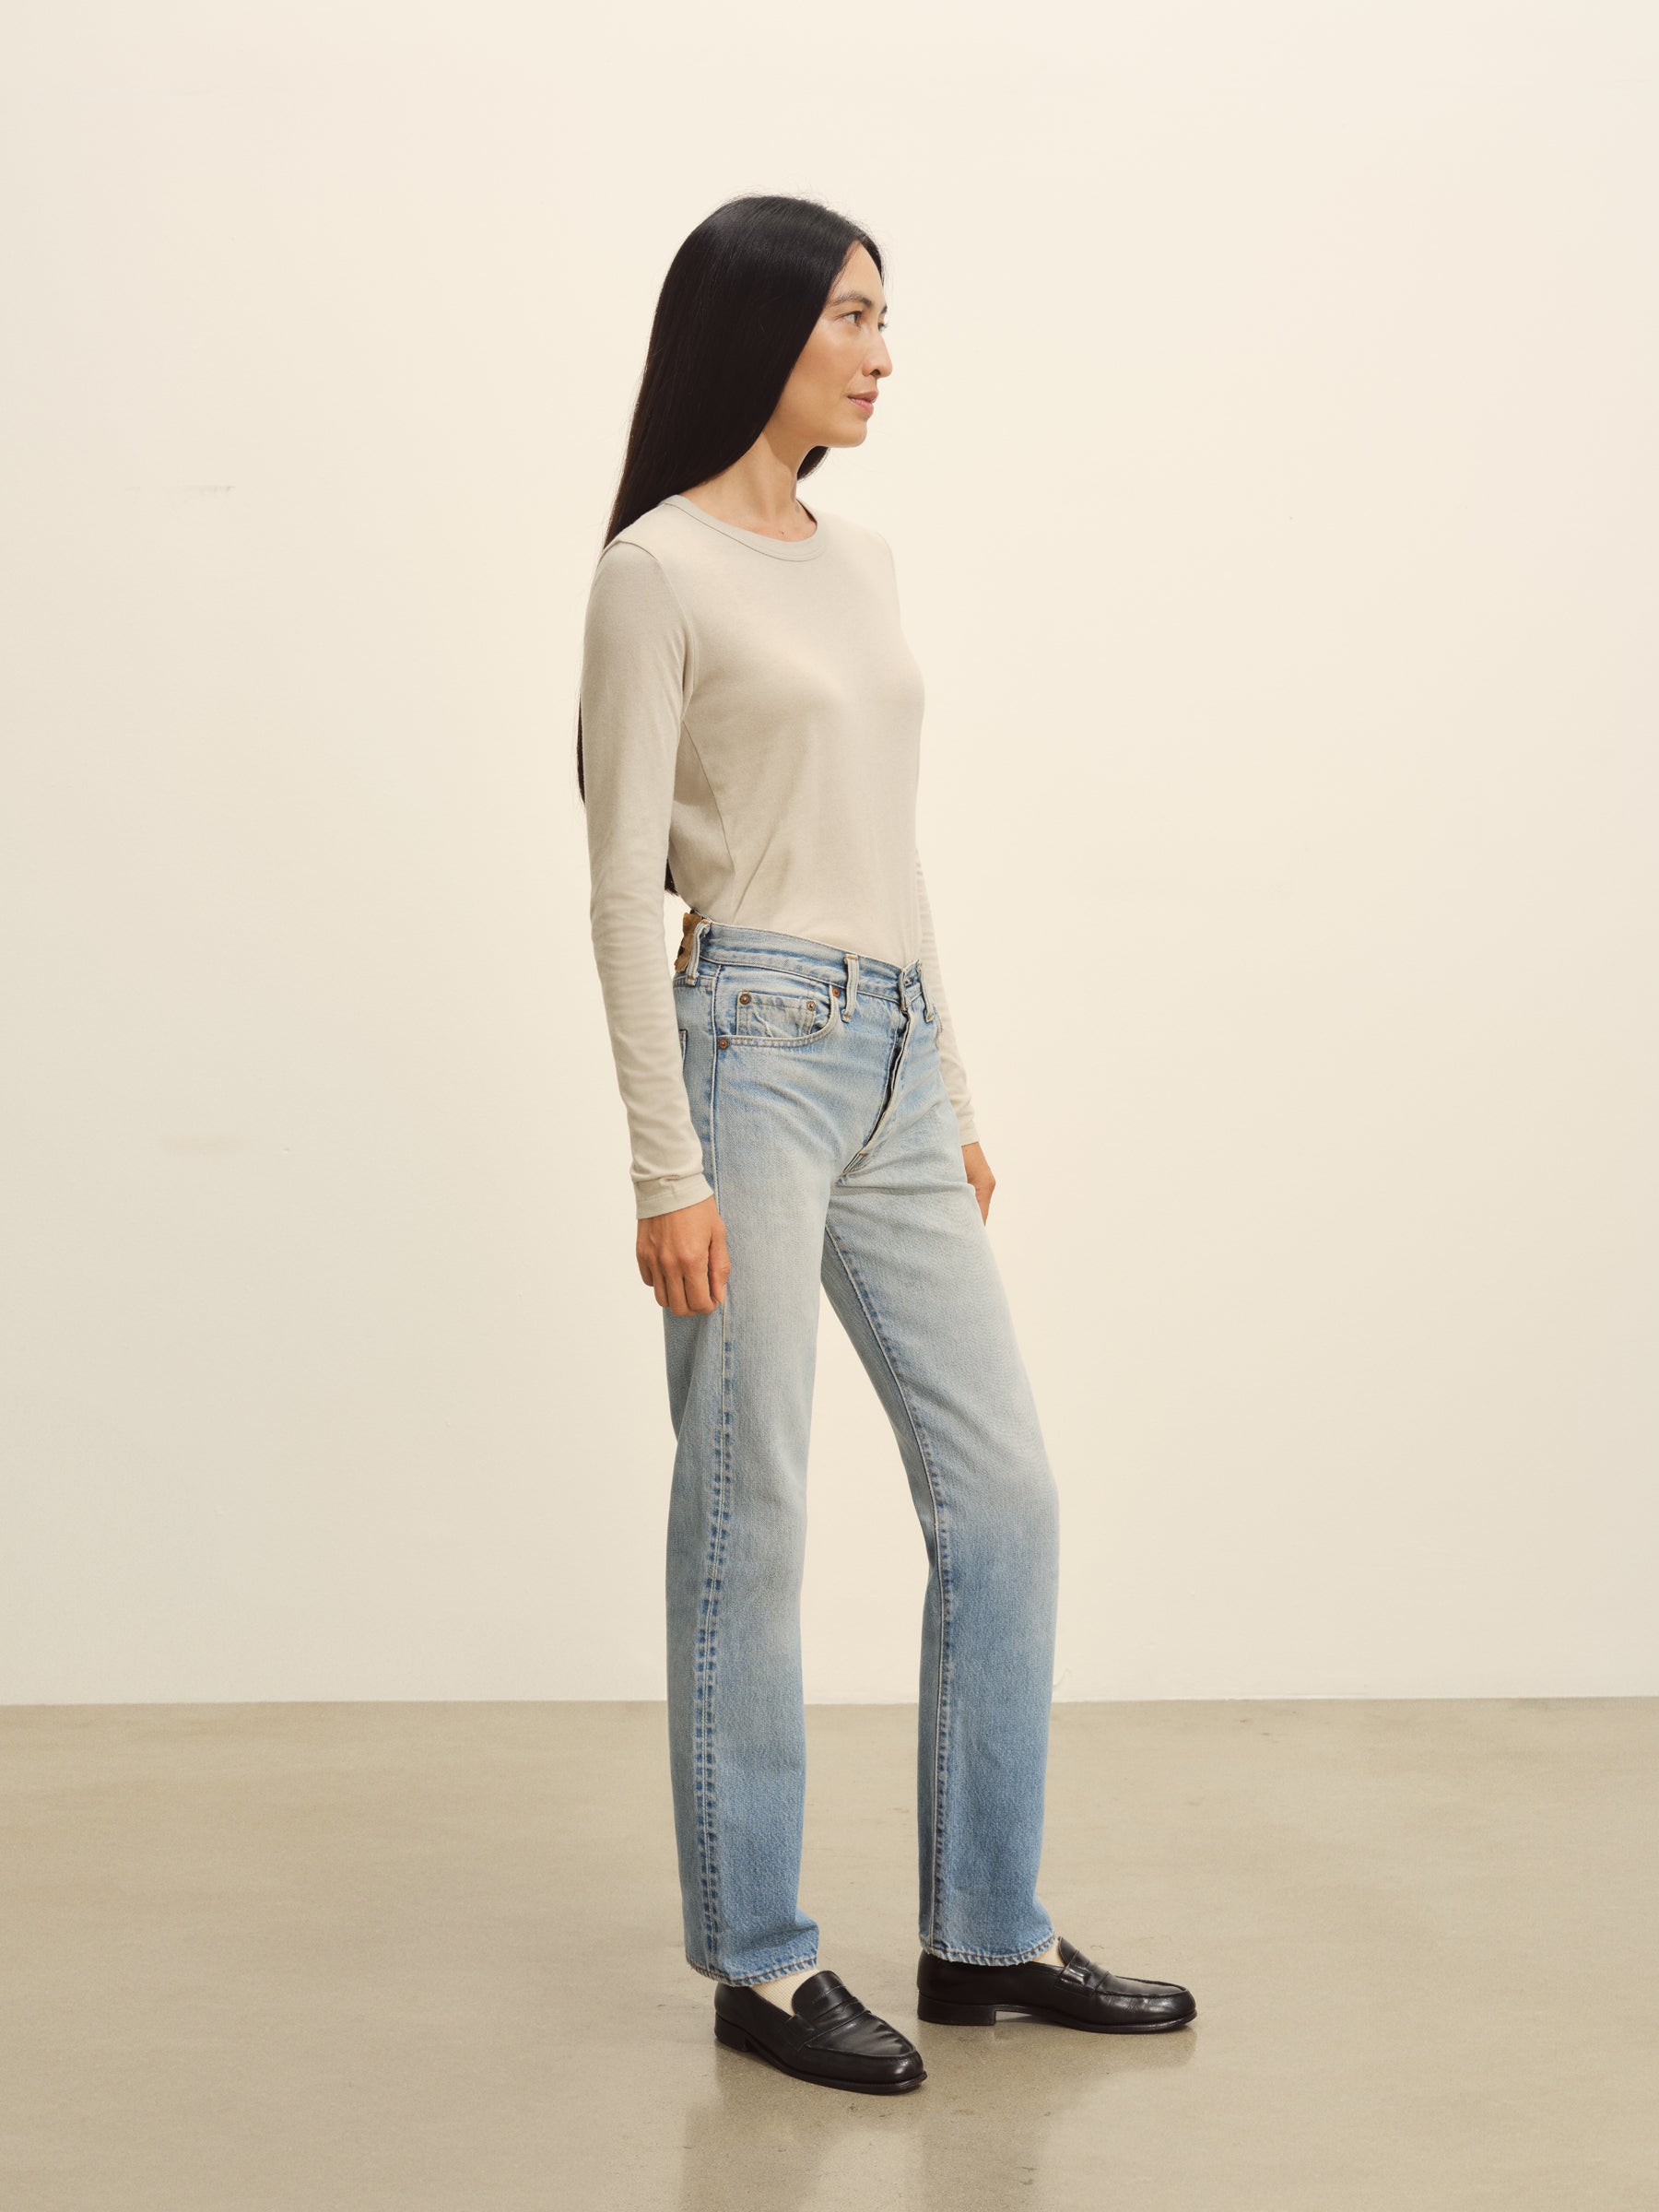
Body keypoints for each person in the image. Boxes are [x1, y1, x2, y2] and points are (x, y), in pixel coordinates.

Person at [577, 193, 1195, 2094]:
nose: (880, 351)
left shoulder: (866, 564)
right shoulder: (657, 573)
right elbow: (617, 882)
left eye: (881, 315)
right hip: (747, 1053)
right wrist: (663, 1166)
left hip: (895, 1054)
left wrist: (955, 1088)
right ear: (755, 329)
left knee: (1005, 1496)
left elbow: (886, 842)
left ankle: (986, 1930)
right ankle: (761, 1963)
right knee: (748, 1510)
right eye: (850, 315)